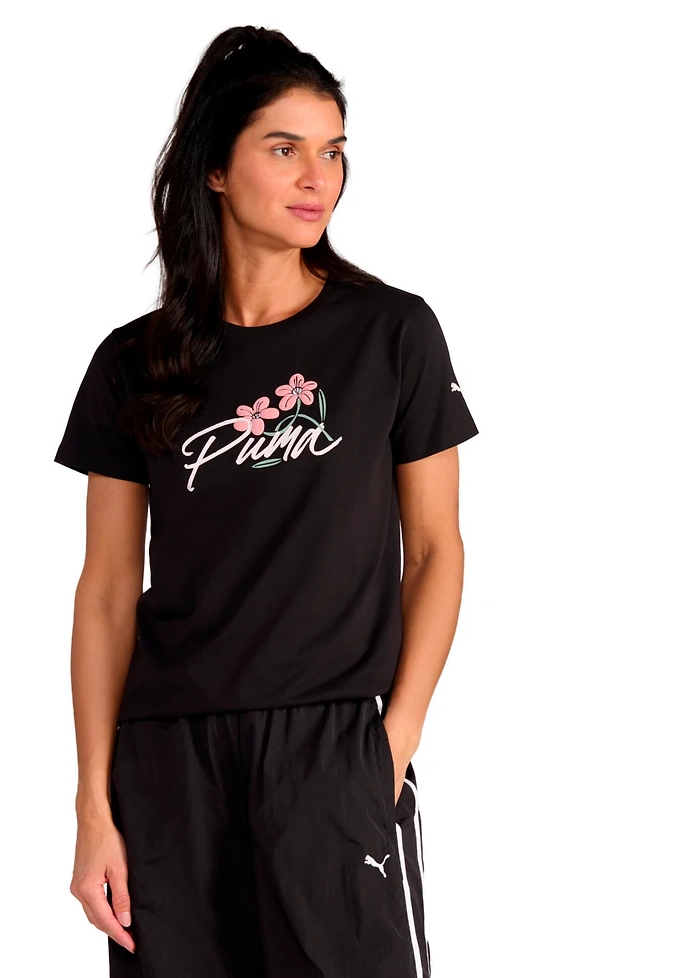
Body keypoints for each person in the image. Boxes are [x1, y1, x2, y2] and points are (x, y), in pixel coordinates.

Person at [53, 24, 479, 978]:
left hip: (332, 750)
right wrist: (93, 805)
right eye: (284, 149)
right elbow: (107, 590)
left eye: (333, 151)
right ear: (214, 167)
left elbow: (437, 552)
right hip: (168, 764)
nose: (317, 177)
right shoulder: (135, 361)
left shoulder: (391, 334)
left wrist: (393, 742)